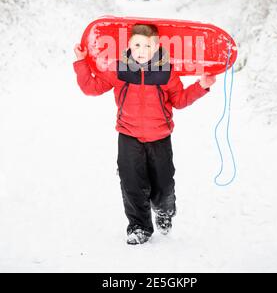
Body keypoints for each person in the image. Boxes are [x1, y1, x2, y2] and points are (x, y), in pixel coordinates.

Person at [73, 24, 216, 245]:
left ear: (157, 46)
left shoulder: (166, 72)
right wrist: (82, 62)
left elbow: (179, 100)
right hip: (128, 135)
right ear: (129, 45)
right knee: (131, 184)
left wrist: (201, 86)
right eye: (137, 44)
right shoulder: (118, 69)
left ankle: (164, 212)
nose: (142, 50)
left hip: (159, 136)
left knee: (164, 185)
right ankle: (139, 227)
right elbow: (91, 87)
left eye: (148, 45)